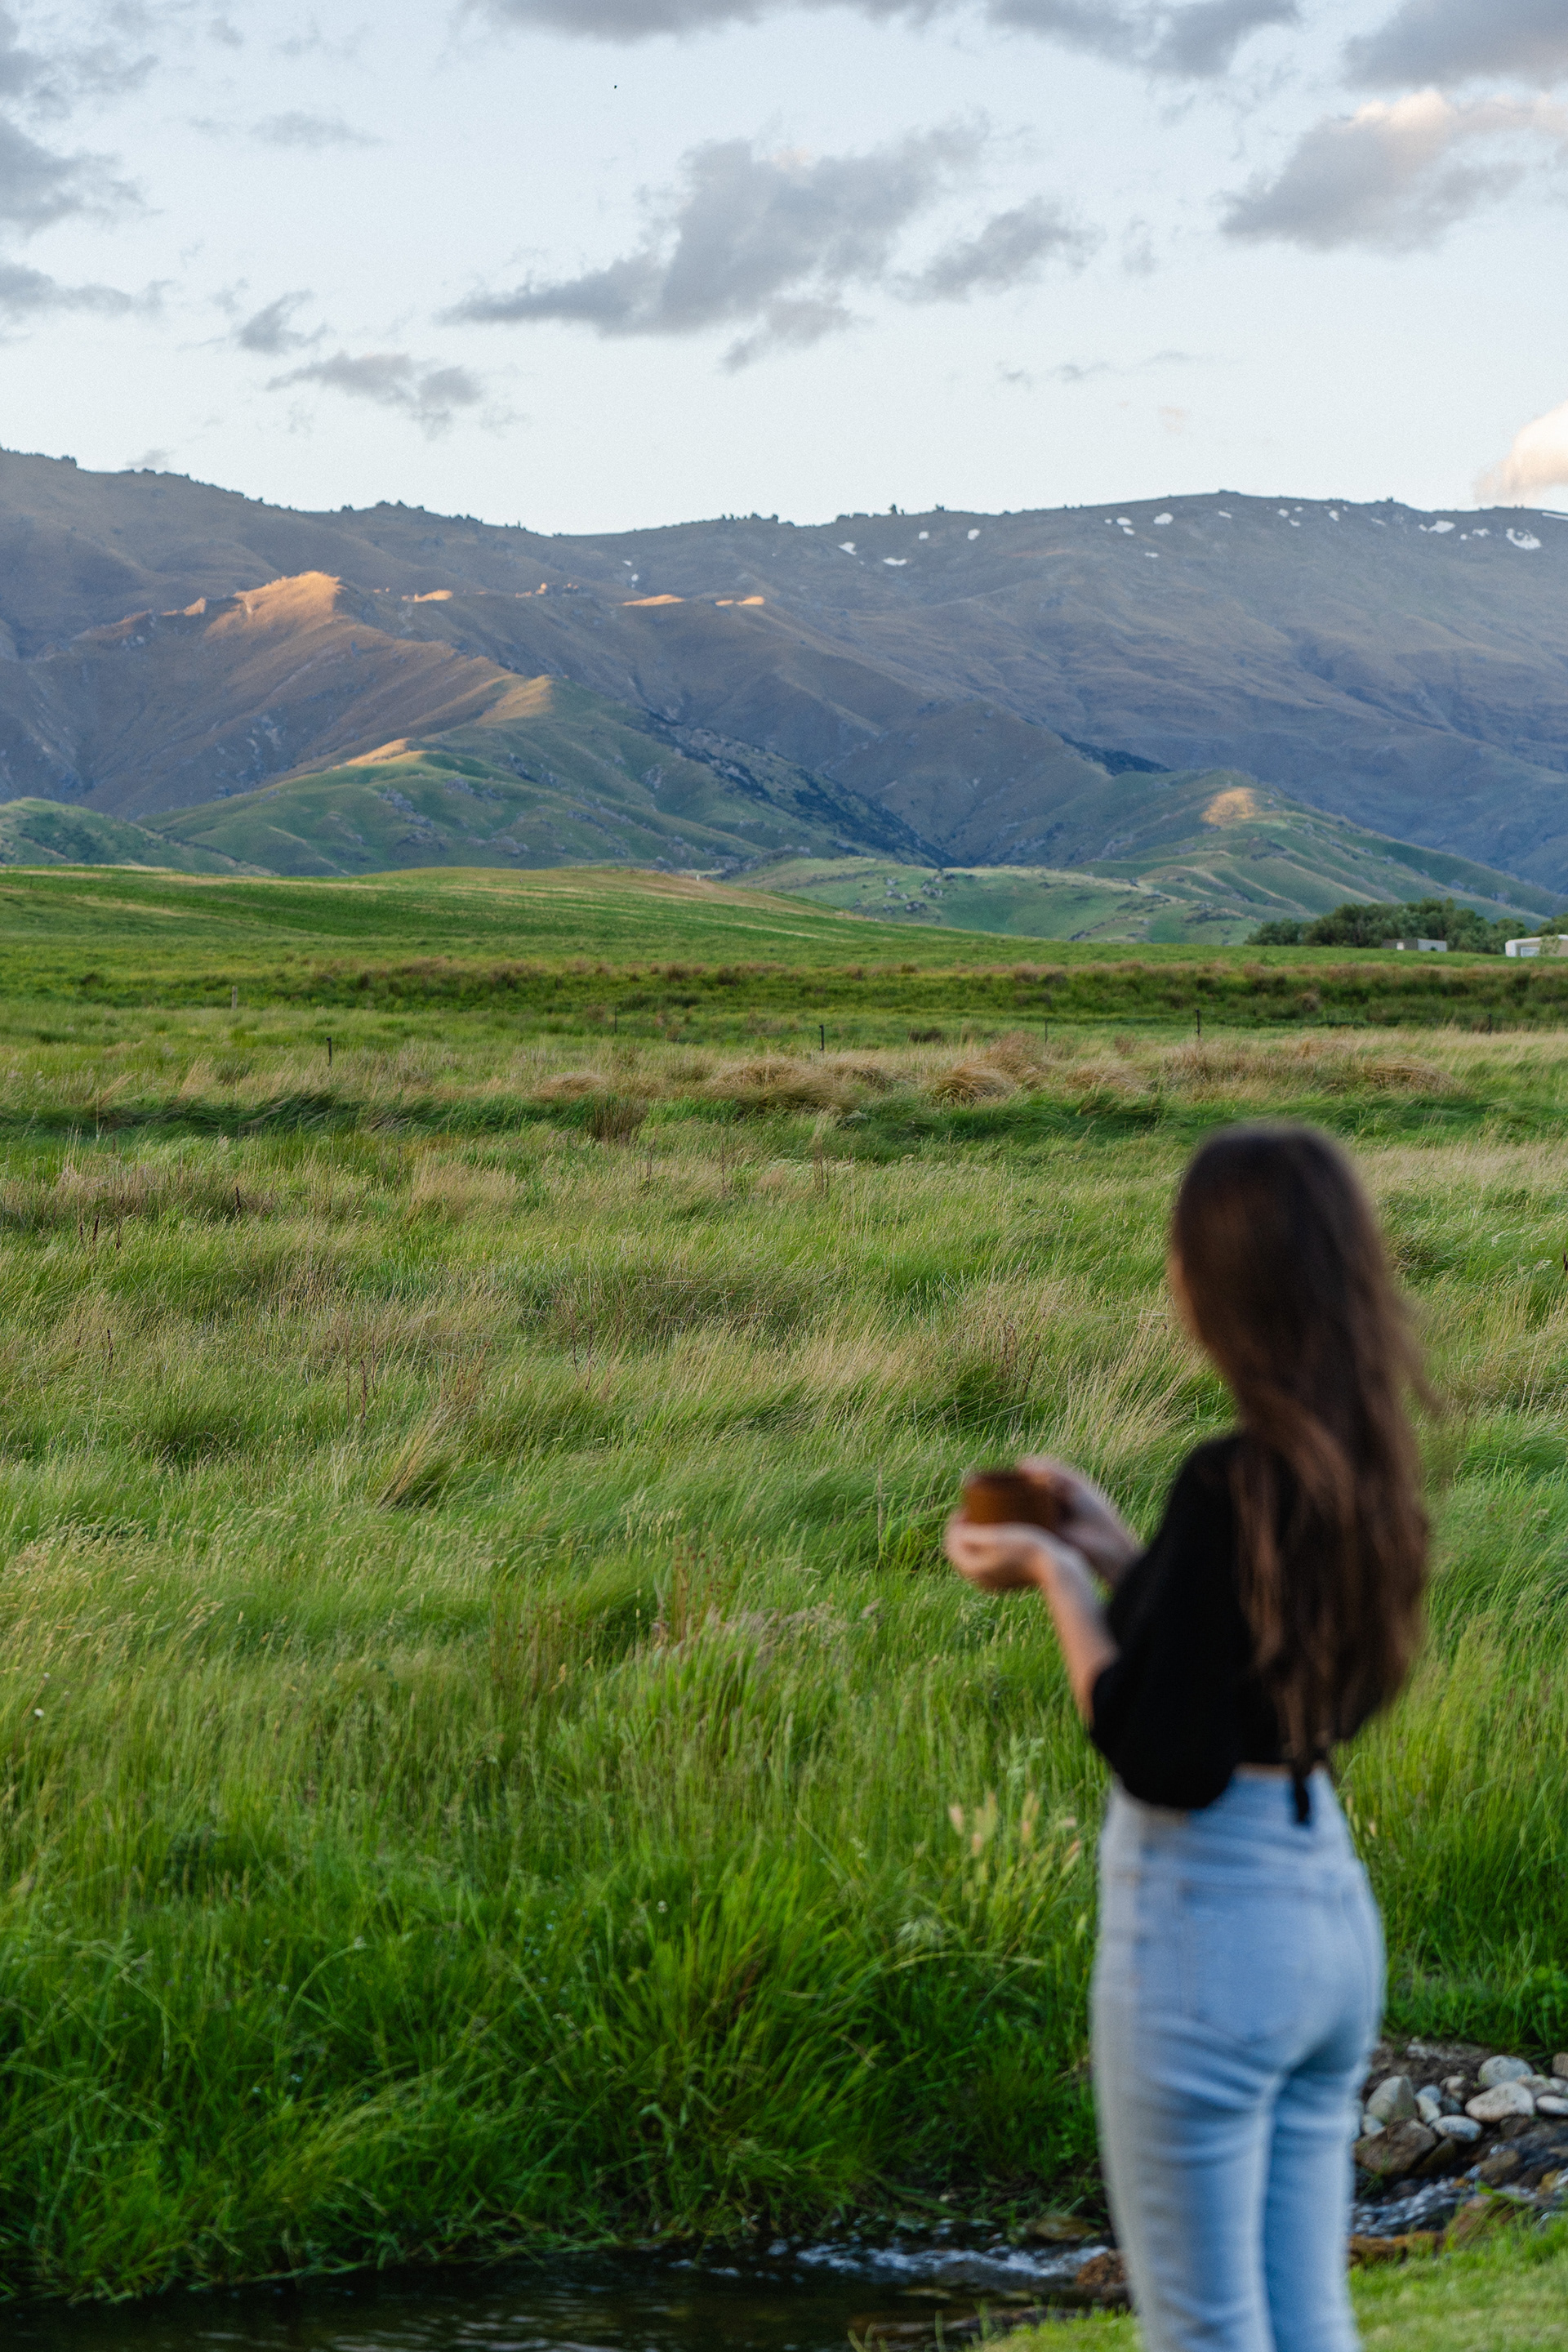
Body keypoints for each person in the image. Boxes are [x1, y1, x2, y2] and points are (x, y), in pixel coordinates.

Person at [945, 1124, 1429, 2352]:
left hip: (1210, 1929)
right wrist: (1119, 1552)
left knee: (1204, 2330)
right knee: (1309, 2316)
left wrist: (1056, 1574)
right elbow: (1236, 1666)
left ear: (1217, 1282)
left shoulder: (1231, 1480)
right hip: (1325, 1914)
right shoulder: (1352, 1469)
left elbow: (1169, 1751)